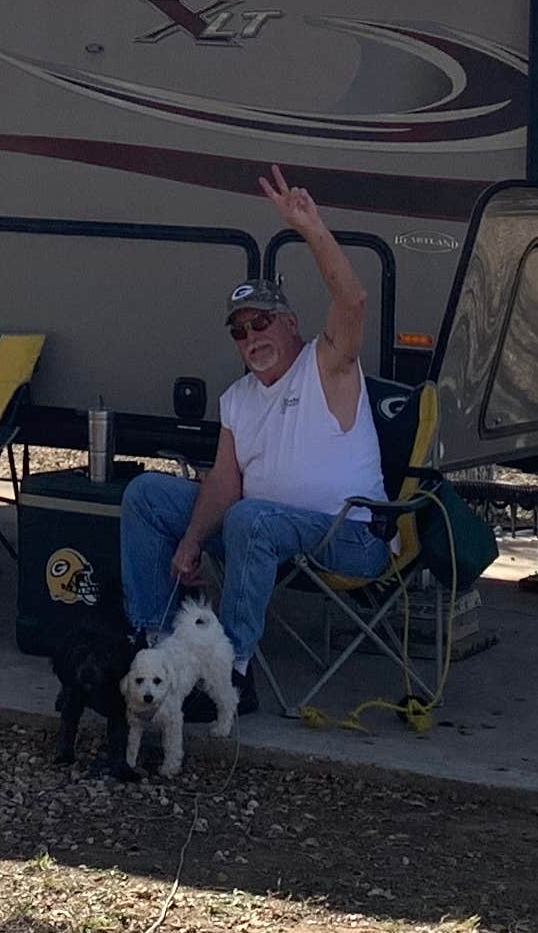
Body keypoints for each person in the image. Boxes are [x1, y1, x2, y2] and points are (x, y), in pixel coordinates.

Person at [119, 167, 391, 708]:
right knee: (148, 494)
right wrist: (192, 541)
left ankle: (232, 675)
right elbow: (224, 481)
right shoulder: (238, 397)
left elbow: (354, 300)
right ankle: (155, 651)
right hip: (259, 534)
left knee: (252, 516)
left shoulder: (326, 365)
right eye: (240, 331)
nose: (251, 338)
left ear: (290, 323)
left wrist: (310, 228)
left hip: (350, 536)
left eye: (261, 323)